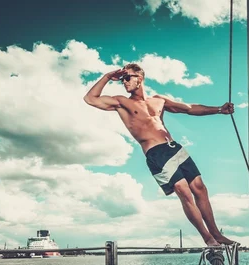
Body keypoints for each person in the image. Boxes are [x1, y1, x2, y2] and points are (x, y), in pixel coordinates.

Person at [83, 63, 235, 246]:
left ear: (140, 78)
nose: (124, 82)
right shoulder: (122, 102)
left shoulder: (158, 100)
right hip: (156, 153)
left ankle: (216, 234)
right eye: (122, 79)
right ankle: (208, 239)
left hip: (174, 147)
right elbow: (90, 99)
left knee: (200, 188)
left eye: (128, 77)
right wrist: (108, 76)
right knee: (183, 191)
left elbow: (188, 108)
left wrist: (219, 110)